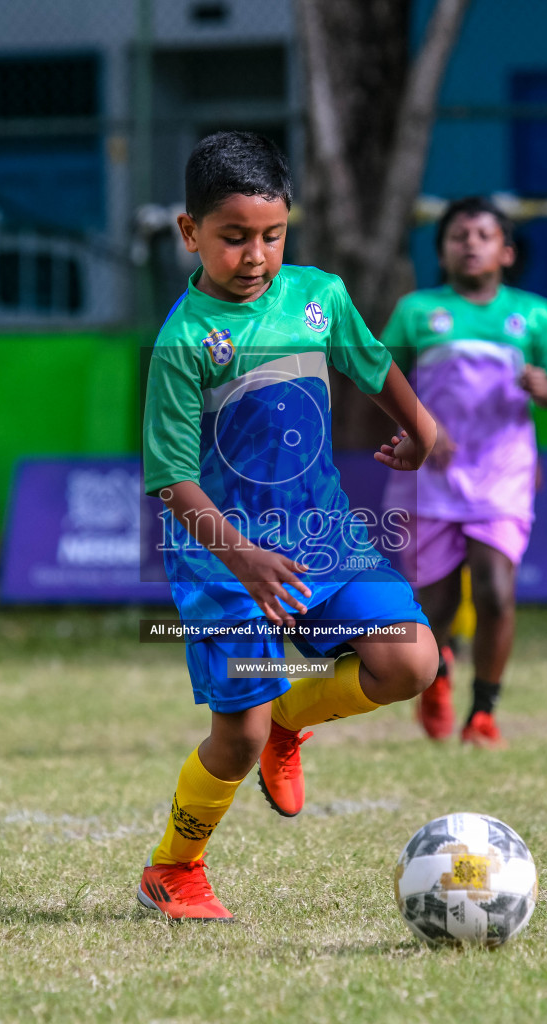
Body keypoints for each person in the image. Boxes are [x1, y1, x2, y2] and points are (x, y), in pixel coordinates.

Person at [138, 131, 440, 920]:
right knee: (233, 740)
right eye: (234, 237)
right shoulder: (181, 342)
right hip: (222, 560)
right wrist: (243, 559)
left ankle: (290, 723)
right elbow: (171, 479)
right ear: (189, 232)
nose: (256, 255)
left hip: (324, 535)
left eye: (272, 235)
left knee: (411, 663)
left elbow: (369, 361)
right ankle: (173, 868)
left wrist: (420, 425)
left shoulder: (318, 295)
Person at [381, 196, 547, 749]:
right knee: (433, 604)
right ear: (441, 250)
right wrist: (421, 427)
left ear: (506, 251)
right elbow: (377, 375)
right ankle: (436, 676)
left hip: (503, 473)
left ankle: (483, 712)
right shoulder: (417, 311)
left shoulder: (532, 314)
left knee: (494, 589)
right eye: (458, 235)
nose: (470, 243)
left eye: (483, 235)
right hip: (430, 472)